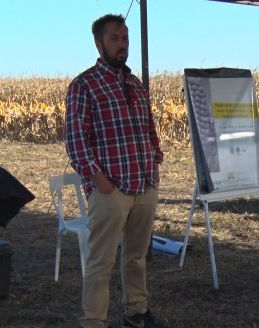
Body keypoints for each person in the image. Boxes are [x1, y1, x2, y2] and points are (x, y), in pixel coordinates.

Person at [65, 13, 167, 328]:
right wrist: (100, 181)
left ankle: (136, 312)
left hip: (144, 183)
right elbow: (75, 140)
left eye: (124, 38)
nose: (122, 45)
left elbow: (148, 128)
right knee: (101, 261)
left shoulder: (135, 84)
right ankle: (93, 321)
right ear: (99, 43)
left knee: (136, 256)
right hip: (111, 189)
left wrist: (155, 159)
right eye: (114, 38)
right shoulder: (85, 85)